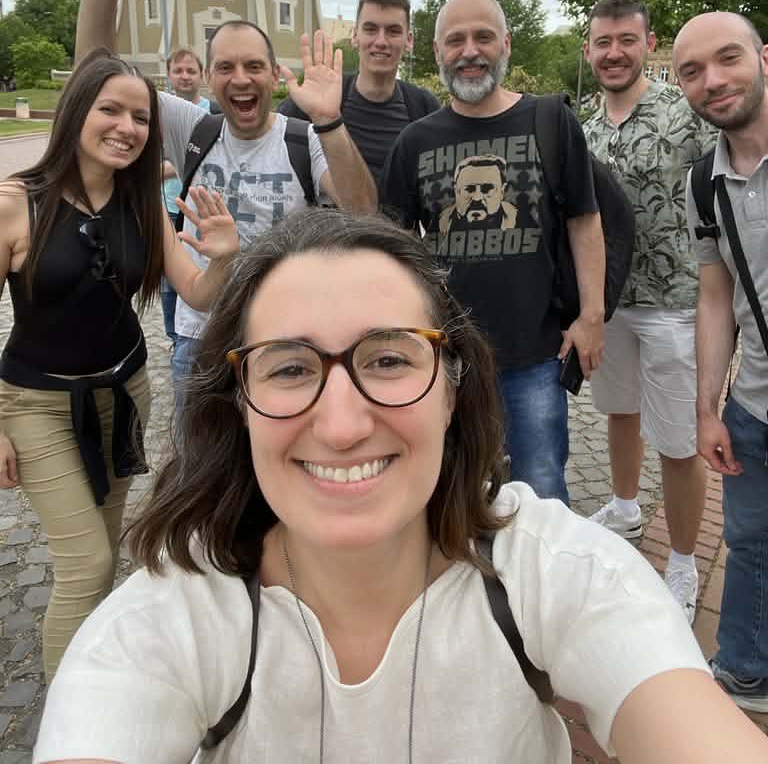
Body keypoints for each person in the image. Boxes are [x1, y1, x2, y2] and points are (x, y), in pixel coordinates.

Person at [33, 208, 768, 764]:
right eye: (290, 368)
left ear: (453, 389)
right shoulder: (166, 624)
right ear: (237, 404)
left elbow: (682, 716)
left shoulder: (551, 571)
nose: (345, 423)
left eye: (388, 359)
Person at [0, 48, 239, 682]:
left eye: (140, 116)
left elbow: (200, 294)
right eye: (110, 109)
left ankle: (99, 679)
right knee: (87, 563)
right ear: (78, 112)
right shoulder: (15, 203)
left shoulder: (140, 206)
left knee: (106, 549)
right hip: (36, 404)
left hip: (125, 390)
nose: (127, 127)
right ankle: (72, 727)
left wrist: (222, 257)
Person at [75, 0, 377, 389]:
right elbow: (96, 75)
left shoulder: (305, 139)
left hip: (288, 336)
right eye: (226, 67)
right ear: (209, 79)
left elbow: (363, 212)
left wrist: (330, 119)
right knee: (199, 466)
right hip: (203, 337)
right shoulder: (190, 127)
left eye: (254, 66)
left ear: (274, 75)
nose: (241, 79)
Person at [380, 0, 605, 503]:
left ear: (505, 43)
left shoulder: (551, 121)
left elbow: (585, 221)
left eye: (483, 36)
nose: (470, 50)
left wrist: (592, 316)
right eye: (455, 40)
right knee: (447, 487)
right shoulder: (414, 142)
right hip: (445, 357)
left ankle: (542, 584)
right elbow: (391, 246)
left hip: (535, 353)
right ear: (436, 52)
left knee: (542, 488)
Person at [582, 0, 715, 623]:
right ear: (589, 49)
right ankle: (626, 506)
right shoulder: (580, 127)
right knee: (619, 411)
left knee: (680, 441)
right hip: (608, 305)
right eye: (603, 42)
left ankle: (684, 563)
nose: (614, 53)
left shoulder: (686, 116)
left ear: (648, 43)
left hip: (676, 303)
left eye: (626, 41)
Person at [676, 11, 768, 709]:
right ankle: (742, 670)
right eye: (692, 71)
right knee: (750, 544)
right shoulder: (703, 182)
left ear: (763, 58)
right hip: (756, 408)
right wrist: (708, 408)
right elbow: (715, 294)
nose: (713, 80)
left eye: (727, 59)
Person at [278, 0, 441, 181]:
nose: (381, 41)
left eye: (393, 31)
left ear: (409, 40)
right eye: (371, 29)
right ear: (355, 36)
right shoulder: (314, 104)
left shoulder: (424, 108)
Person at [161, 48, 211, 349]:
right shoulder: (160, 114)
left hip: (196, 210)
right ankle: (175, 337)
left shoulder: (210, 114)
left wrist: (169, 166)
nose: (184, 76)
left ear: (201, 76)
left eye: (190, 71)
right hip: (167, 209)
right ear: (169, 74)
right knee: (168, 281)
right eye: (178, 71)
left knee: (196, 270)